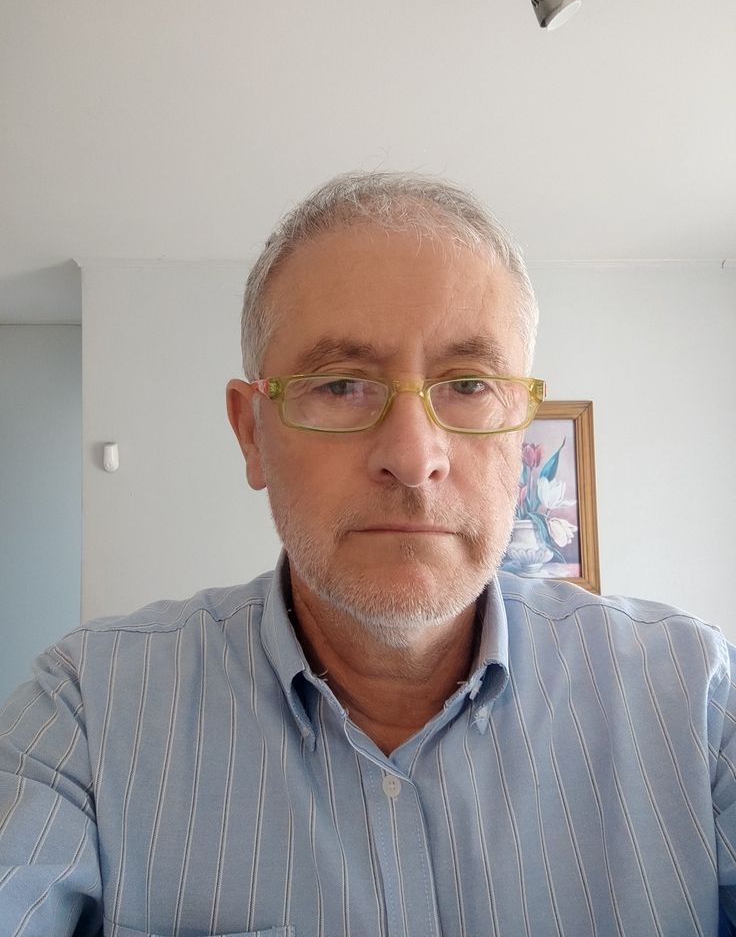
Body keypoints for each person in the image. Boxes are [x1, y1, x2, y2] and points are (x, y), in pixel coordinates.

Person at [1, 172, 735, 937]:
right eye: (342, 383)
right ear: (252, 432)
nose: (414, 458)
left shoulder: (696, 700)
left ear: (519, 431)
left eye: (469, 383)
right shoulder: (88, 712)